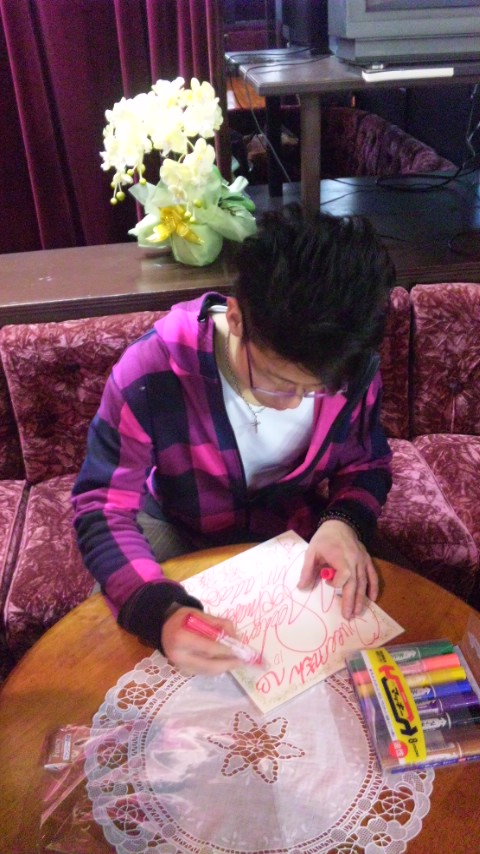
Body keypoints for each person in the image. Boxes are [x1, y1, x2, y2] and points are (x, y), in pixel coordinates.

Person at [72, 205, 396, 675]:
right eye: (278, 382)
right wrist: (160, 612)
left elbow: (367, 464)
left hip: (294, 527)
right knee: (113, 651)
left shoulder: (349, 369)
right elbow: (101, 507)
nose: (292, 404)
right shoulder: (152, 372)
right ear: (238, 317)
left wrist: (343, 520)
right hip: (177, 524)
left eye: (315, 390)